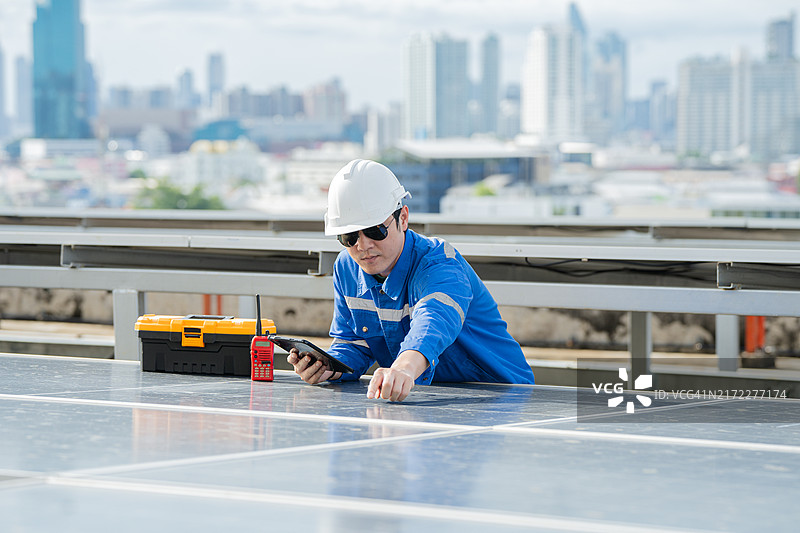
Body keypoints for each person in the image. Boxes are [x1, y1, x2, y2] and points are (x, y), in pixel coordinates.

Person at [288, 159, 535, 401]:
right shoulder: (347, 268)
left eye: (375, 230)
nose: (363, 246)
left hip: (503, 397)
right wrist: (329, 367)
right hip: (427, 400)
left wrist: (404, 368)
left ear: (403, 218)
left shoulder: (441, 265)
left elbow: (433, 321)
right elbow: (354, 342)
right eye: (349, 237)